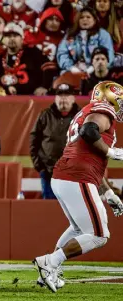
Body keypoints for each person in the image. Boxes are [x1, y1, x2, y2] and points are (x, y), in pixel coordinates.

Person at [33, 81, 123, 293]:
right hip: (77, 176)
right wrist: (111, 152)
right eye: (118, 101)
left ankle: (50, 270)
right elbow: (89, 131)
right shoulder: (102, 111)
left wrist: (108, 192)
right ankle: (50, 262)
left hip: (67, 175)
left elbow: (89, 155)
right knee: (99, 234)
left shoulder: (84, 111)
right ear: (108, 99)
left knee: (78, 229)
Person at [30, 83, 81, 199]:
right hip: (49, 172)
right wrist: (39, 165)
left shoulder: (82, 117)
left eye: (67, 95)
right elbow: (34, 140)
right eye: (60, 95)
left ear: (73, 99)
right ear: (55, 98)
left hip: (74, 173)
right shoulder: (45, 115)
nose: (63, 99)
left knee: (73, 208)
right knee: (49, 209)